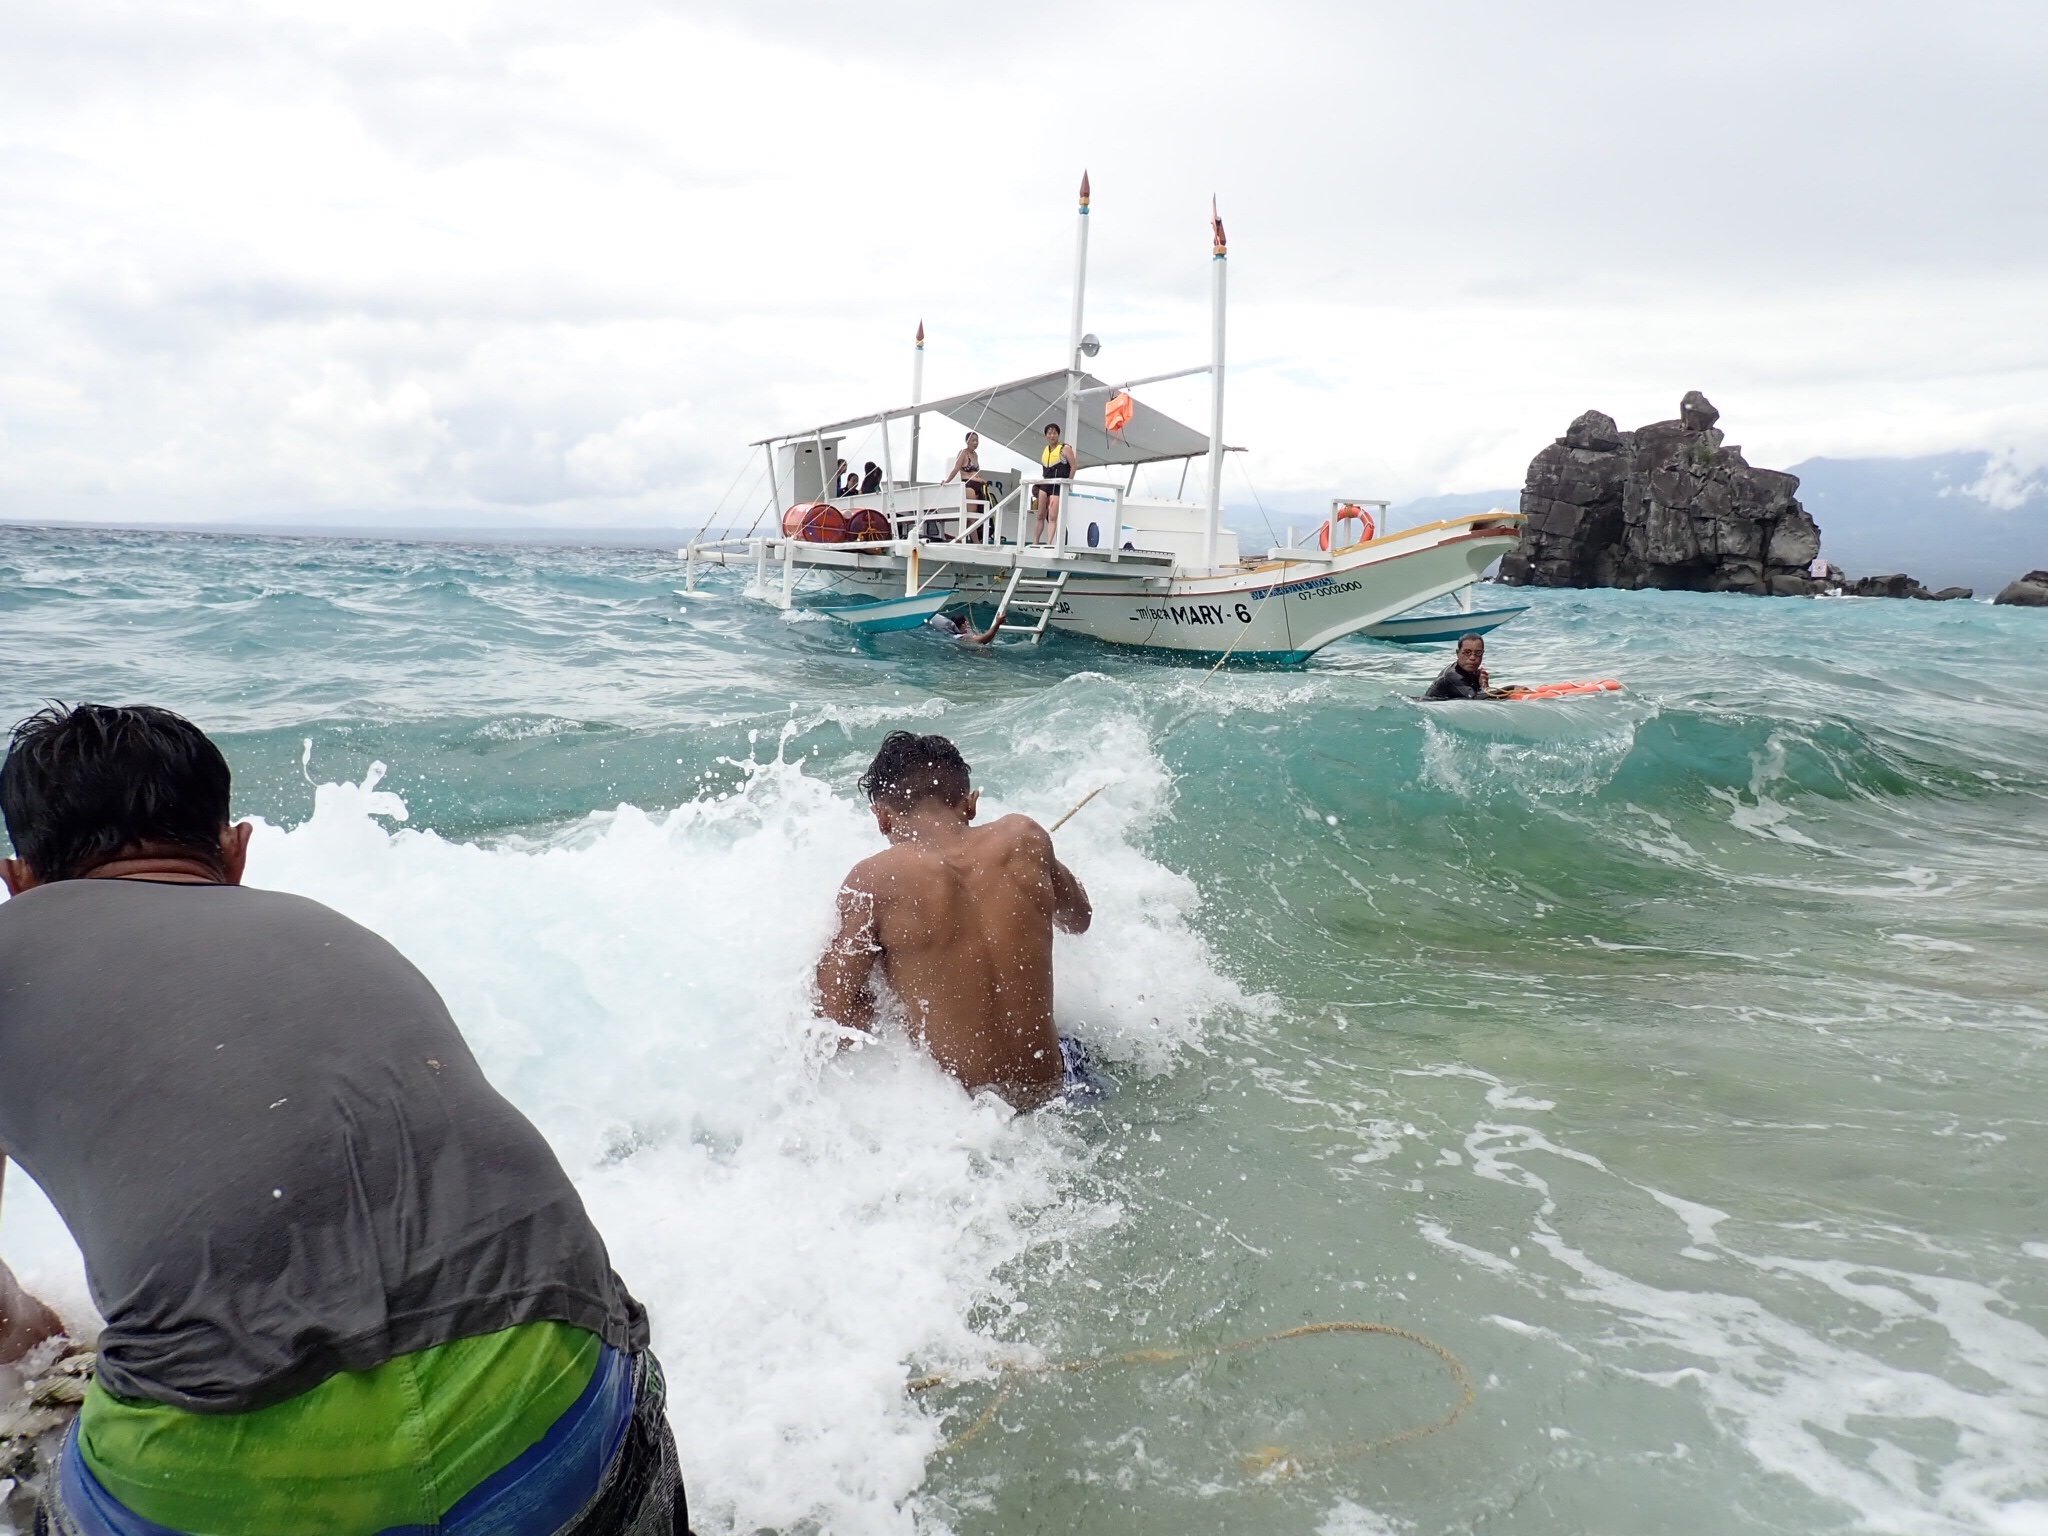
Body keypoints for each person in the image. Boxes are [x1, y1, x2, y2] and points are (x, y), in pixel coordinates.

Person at [0, 704, 691, 1536]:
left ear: (19, 881)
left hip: (221, 1480)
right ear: (235, 852)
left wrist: (33, 1339)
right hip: (558, 1412)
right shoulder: (340, 933)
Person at [814, 732, 1096, 1110]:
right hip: (1058, 1090)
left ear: (881, 817)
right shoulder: (1024, 837)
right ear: (971, 804)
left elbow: (831, 1016)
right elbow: (1079, 918)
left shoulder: (874, 880)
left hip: (966, 1117)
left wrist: (887, 998)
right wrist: (1041, 860)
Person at [1423, 632, 1511, 700]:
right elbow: (1476, 700)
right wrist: (1511, 688)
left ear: (1482, 654)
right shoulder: (1452, 675)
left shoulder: (1476, 673)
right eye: (1467, 653)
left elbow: (1482, 696)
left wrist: (1485, 686)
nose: (1472, 657)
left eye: (1478, 653)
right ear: (1458, 653)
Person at [939, 432, 990, 540]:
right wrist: (947, 481)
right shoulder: (963, 452)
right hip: (968, 485)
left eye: (977, 441)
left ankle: (959, 539)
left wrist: (981, 479)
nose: (975, 443)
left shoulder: (976, 455)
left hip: (978, 484)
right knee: (971, 516)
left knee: (976, 515)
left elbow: (976, 472)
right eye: (973, 440)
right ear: (967, 441)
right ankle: (975, 542)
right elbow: (956, 468)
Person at [1032, 422, 1075, 544]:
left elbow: (1073, 466)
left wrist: (1068, 483)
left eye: (1055, 433)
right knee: (1040, 514)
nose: (1052, 436)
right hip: (1046, 483)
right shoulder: (1046, 449)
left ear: (1058, 434)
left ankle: (1049, 542)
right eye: (1049, 433)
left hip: (1057, 485)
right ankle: (1035, 542)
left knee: (1052, 516)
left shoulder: (1065, 448)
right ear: (1046, 435)